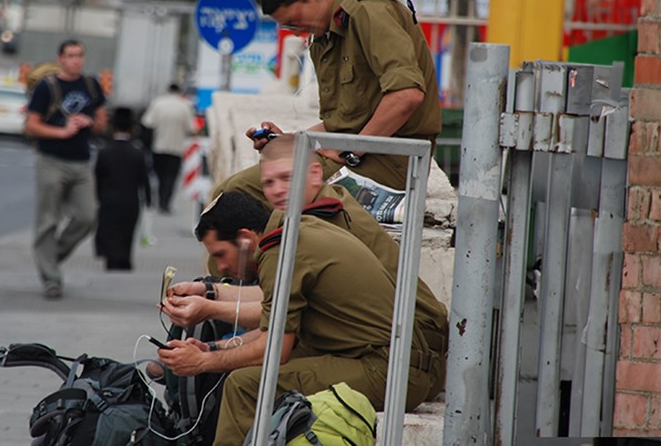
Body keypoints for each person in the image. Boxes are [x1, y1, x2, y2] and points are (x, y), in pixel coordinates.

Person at [156, 191, 445, 444]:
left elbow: (273, 350)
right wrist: (211, 348)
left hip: (390, 371)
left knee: (243, 385)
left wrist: (204, 362)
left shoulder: (280, 252)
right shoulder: (295, 230)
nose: (220, 266)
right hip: (395, 362)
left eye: (221, 254)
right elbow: (275, 323)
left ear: (245, 239)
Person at [164, 136, 448, 359]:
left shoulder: (320, 221)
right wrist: (209, 293)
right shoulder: (310, 210)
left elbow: (276, 309)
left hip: (412, 337)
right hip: (391, 335)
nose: (276, 191)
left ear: (313, 174)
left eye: (286, 179)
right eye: (268, 184)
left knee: (244, 380)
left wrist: (209, 309)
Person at [214, 0, 442, 207]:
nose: (297, 32)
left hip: (390, 161)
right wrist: (290, 141)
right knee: (230, 193)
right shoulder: (325, 33)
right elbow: (346, 120)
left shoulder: (369, 11)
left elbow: (407, 95)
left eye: (294, 22)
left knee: (248, 198)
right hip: (356, 152)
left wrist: (350, 151)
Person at [24, 39, 108, 299]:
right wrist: (61, 131)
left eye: (80, 55)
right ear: (60, 58)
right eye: (71, 55)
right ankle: (51, 278)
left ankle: (50, 257)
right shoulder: (47, 87)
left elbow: (102, 124)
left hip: (81, 161)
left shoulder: (92, 85)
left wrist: (89, 121)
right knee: (48, 220)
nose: (76, 60)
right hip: (51, 159)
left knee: (88, 216)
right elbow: (31, 125)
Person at [94, 108, 151, 271]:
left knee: (110, 229)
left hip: (108, 199)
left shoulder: (104, 152)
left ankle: (111, 260)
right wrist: (148, 201)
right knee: (127, 231)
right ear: (132, 130)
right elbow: (144, 179)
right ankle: (124, 259)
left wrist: (98, 197)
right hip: (130, 200)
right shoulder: (137, 153)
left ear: (112, 128)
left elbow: (97, 176)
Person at [141, 83, 195, 214]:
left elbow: (148, 122)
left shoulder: (158, 103)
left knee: (159, 175)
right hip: (176, 148)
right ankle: (165, 202)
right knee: (170, 176)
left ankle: (157, 198)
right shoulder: (185, 105)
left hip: (159, 146)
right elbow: (191, 128)